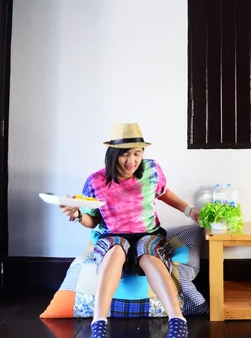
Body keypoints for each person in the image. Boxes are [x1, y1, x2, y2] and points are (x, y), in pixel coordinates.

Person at [59, 123, 199, 338]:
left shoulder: (151, 170)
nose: (131, 161)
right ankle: (99, 324)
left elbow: (164, 193)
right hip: (111, 236)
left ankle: (178, 321)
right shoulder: (96, 181)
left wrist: (189, 210)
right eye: (125, 154)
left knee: (149, 254)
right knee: (116, 249)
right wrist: (77, 214)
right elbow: (92, 221)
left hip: (149, 234)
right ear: (113, 154)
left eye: (137, 153)